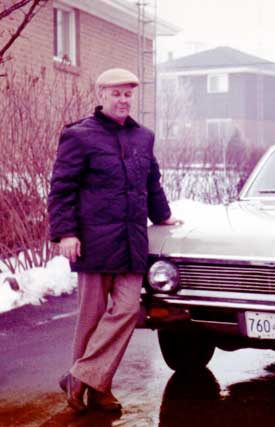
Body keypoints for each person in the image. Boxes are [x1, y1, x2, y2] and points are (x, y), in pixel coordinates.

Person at [48, 68, 180, 413]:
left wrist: (162, 216)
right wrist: (65, 232)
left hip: (132, 241)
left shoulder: (143, 138)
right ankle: (98, 389)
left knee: (127, 311)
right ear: (100, 96)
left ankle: (79, 376)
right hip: (93, 241)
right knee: (91, 319)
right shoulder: (78, 136)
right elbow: (62, 189)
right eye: (116, 93)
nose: (123, 100)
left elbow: (152, 183)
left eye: (127, 94)